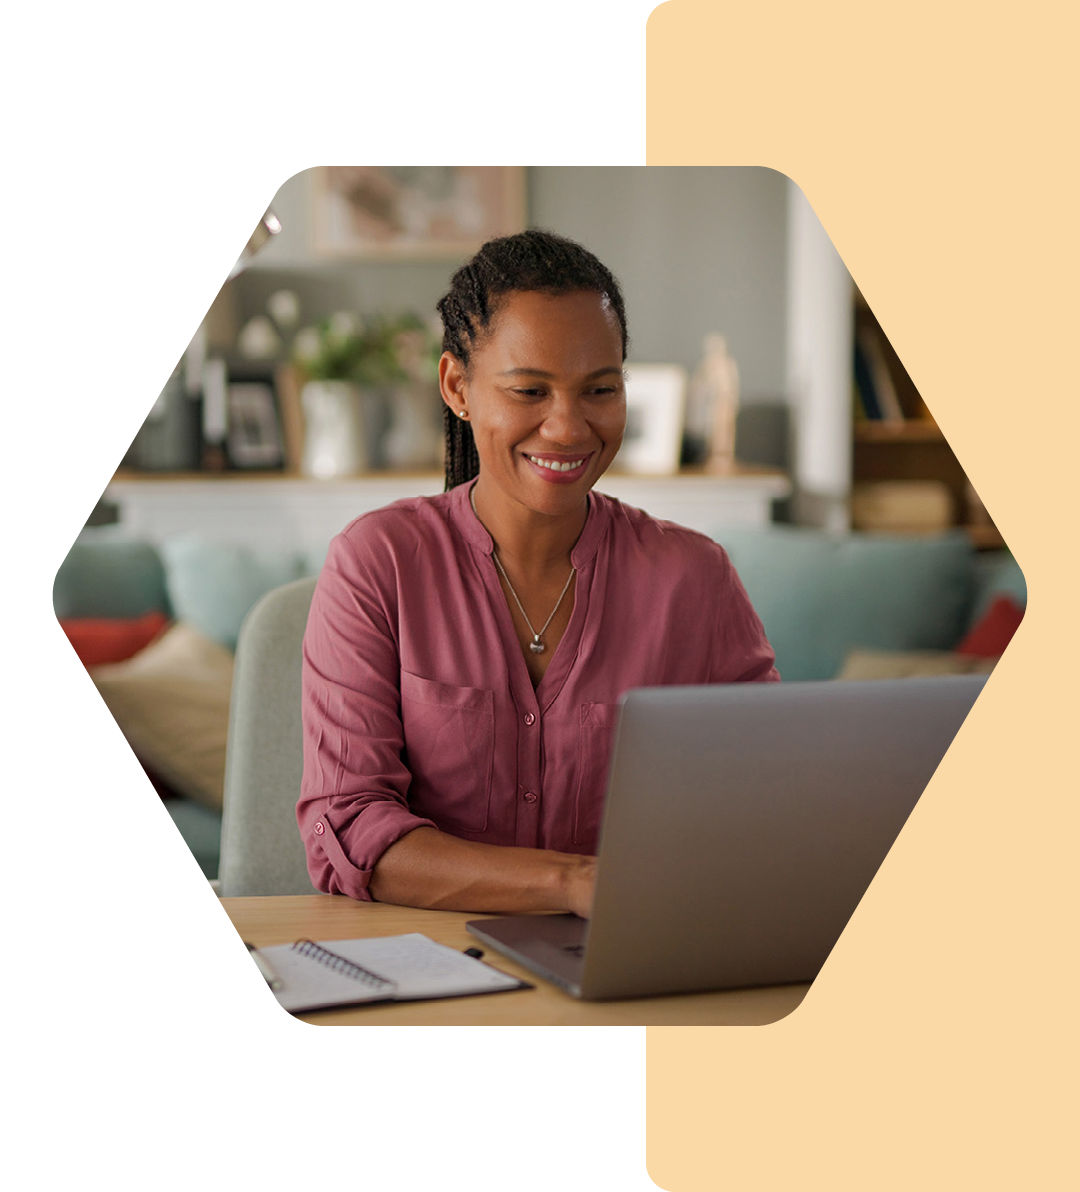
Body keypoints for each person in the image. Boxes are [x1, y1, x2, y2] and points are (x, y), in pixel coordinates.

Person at [297, 229, 779, 918]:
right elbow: (347, 829)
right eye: (530, 390)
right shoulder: (377, 564)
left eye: (600, 389)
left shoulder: (693, 578)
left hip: (630, 965)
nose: (568, 427)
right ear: (457, 387)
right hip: (428, 976)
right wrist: (574, 884)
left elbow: (769, 798)